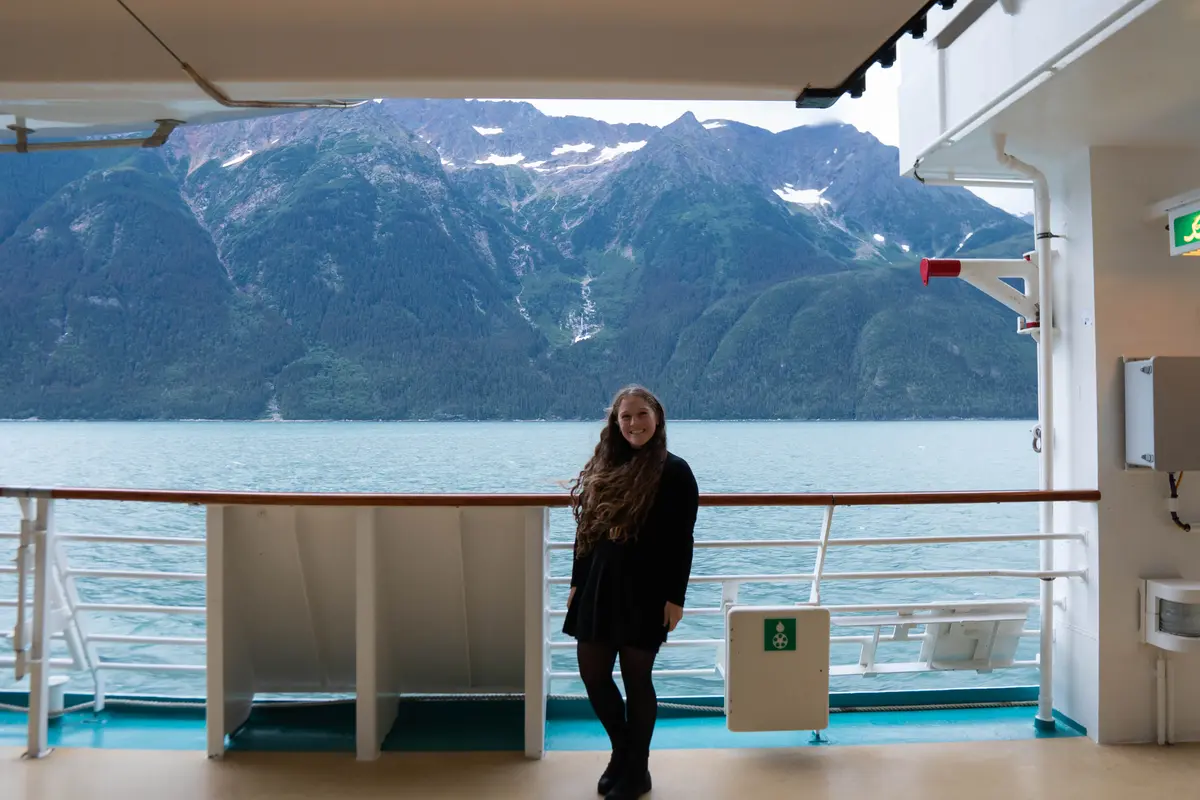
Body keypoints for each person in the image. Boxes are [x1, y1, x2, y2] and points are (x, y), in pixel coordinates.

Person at [563, 385, 699, 799]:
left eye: (641, 415)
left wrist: (676, 597)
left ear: (656, 419)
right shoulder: (606, 465)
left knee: (637, 679)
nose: (634, 423)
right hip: (600, 584)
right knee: (592, 672)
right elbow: (586, 531)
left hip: (648, 588)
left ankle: (636, 771)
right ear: (615, 422)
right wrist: (575, 581)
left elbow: (682, 540)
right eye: (626, 417)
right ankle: (625, 753)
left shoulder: (675, 471)